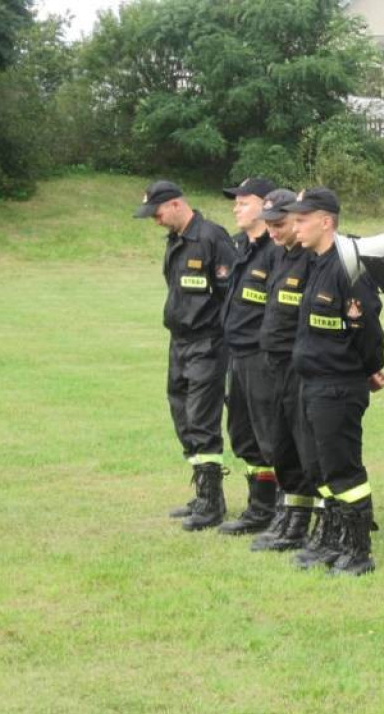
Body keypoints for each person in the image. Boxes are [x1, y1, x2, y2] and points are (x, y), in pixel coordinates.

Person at [287, 187, 384, 576]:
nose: (295, 228)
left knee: (344, 470)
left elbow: (367, 330)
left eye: (301, 219)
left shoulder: (349, 266)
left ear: (325, 221)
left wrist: (367, 369)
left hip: (338, 385)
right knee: (320, 470)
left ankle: (358, 548)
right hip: (311, 382)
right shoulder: (315, 263)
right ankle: (333, 538)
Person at [133, 180, 236, 531]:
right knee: (182, 414)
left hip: (208, 341)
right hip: (179, 342)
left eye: (158, 213)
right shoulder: (176, 242)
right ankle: (202, 490)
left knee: (201, 417)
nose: (155, 220)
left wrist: (224, 340)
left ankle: (212, 503)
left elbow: (230, 295)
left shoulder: (212, 238)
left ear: (176, 204)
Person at [249, 188, 322, 552]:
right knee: (282, 446)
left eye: (279, 224)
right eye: (269, 225)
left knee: (307, 446)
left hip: (300, 365)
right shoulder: (279, 255)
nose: (274, 232)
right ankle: (291, 516)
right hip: (273, 363)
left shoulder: (313, 258)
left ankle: (313, 521)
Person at [216, 177, 282, 536]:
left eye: (244, 201)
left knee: (271, 436)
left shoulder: (277, 250)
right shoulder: (242, 246)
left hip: (263, 357)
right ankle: (260, 507)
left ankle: (288, 513)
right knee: (244, 436)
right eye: (235, 201)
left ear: (266, 204)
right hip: (237, 354)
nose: (236, 207)